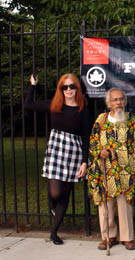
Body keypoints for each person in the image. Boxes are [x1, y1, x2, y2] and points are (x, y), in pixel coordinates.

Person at [25, 73, 89, 245]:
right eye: (65, 87)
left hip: (74, 152)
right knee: (56, 192)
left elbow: (85, 137)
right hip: (56, 150)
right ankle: (54, 207)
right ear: (61, 89)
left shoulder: (82, 108)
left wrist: (84, 161)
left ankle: (54, 232)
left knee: (65, 194)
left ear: (77, 88)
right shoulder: (54, 105)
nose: (68, 90)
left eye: (72, 86)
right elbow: (28, 105)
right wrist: (33, 85)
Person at [88, 88, 135, 250]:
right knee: (105, 205)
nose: (119, 103)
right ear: (109, 103)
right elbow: (93, 141)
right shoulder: (101, 120)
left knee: (125, 203)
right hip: (105, 169)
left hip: (126, 169)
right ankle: (109, 236)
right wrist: (99, 152)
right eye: (115, 100)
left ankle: (127, 237)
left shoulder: (133, 120)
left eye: (121, 99)